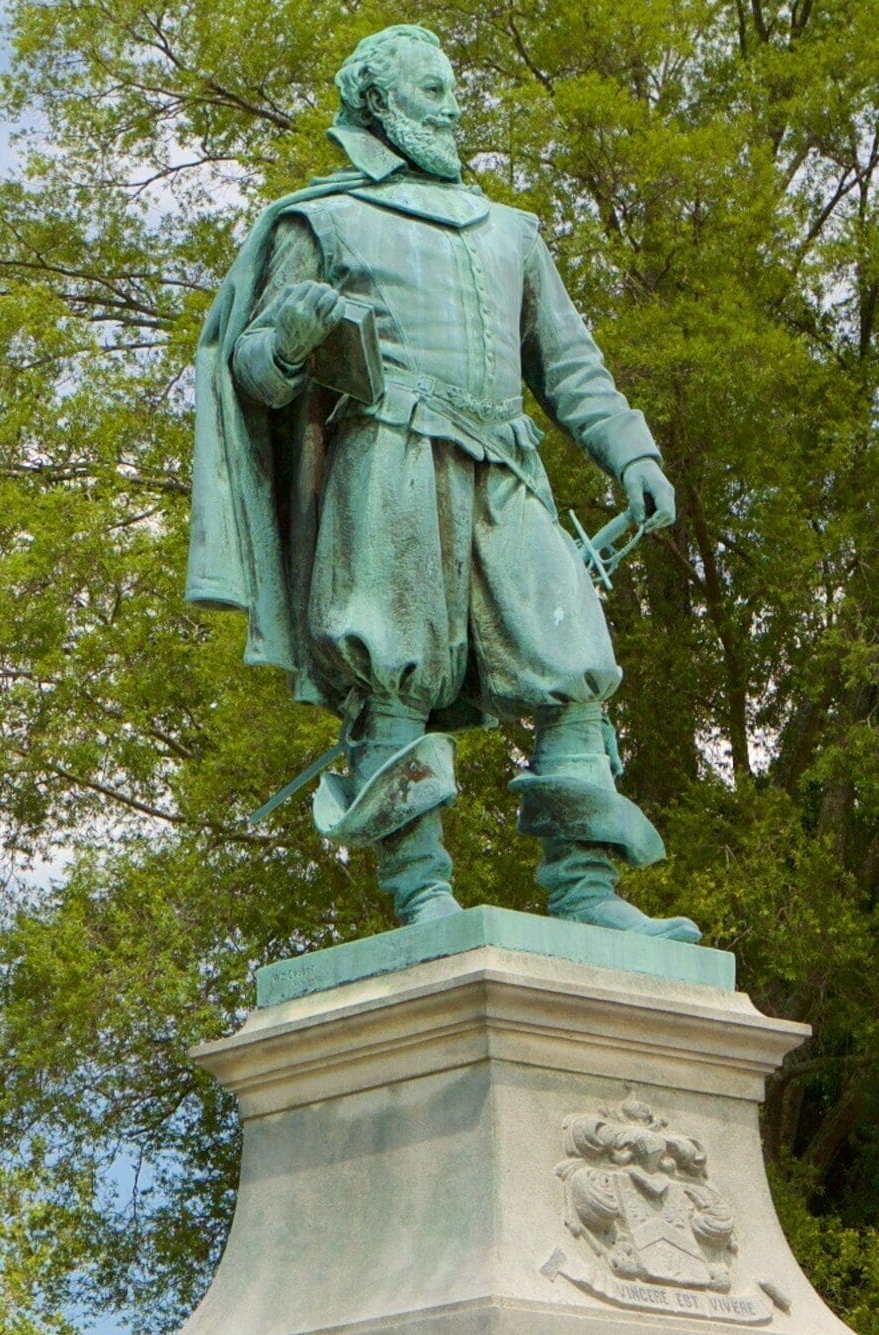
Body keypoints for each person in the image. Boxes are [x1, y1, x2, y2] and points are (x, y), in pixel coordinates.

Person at [188, 23, 694, 940]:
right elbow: (253, 369)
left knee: (571, 660)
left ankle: (586, 892)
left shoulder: (511, 231)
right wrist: (293, 341)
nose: (453, 107)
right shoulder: (323, 220)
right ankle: (422, 891)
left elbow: (571, 367)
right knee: (389, 669)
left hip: (506, 464)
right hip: (388, 461)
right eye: (431, 92)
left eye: (453, 90)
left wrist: (634, 453)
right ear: (379, 104)